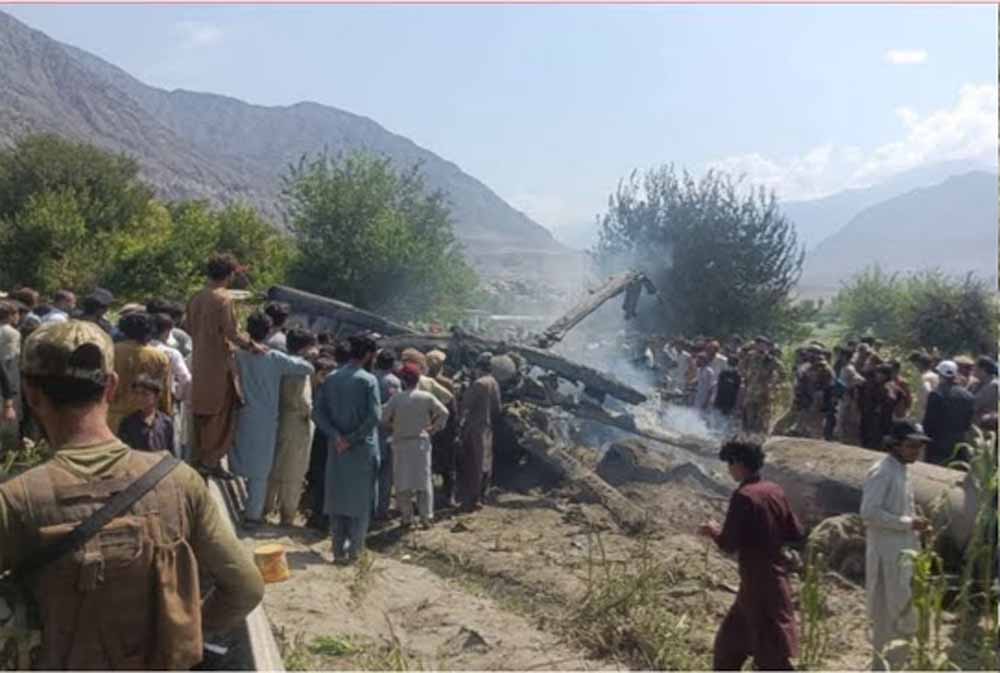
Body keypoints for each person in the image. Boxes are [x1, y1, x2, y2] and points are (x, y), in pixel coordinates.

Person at [0, 320, 263, 669]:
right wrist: (183, 632)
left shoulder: (16, 499)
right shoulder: (179, 481)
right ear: (111, 386)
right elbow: (246, 587)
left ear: (31, 394)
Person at [698, 439, 804, 671]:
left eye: (730, 463)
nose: (729, 469)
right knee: (728, 648)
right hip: (768, 581)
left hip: (759, 586)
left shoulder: (744, 496)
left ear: (739, 463)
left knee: (771, 659)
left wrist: (712, 530)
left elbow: (728, 544)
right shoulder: (774, 490)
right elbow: (796, 532)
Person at [230, 313, 314, 527]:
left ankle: (245, 506)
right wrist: (307, 356)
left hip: (241, 413)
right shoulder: (273, 357)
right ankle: (252, 516)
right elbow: (307, 368)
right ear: (269, 332)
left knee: (238, 458)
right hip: (266, 418)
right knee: (260, 472)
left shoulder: (238, 354)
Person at [860, 420, 930, 669]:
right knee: (888, 615)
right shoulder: (882, 472)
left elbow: (900, 510)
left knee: (902, 612)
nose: (916, 451)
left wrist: (916, 525)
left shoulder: (902, 470)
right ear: (896, 445)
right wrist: (909, 523)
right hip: (886, 556)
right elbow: (869, 513)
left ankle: (894, 664)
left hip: (902, 555)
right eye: (911, 446)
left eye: (919, 446)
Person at [185, 253, 261, 478]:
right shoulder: (223, 299)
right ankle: (210, 461)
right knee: (221, 415)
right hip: (220, 365)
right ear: (229, 275)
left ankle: (202, 460)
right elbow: (232, 333)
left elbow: (188, 328)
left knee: (201, 413)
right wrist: (252, 346)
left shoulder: (195, 297)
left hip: (200, 363)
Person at [312, 334, 381, 563]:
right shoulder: (368, 380)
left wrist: (336, 437)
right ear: (368, 355)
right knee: (360, 503)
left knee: (337, 499)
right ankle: (355, 553)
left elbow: (317, 413)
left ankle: (338, 551)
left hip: (336, 449)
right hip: (361, 450)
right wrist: (351, 439)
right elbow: (374, 417)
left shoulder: (331, 378)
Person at [382, 363, 449, 529]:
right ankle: (426, 518)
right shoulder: (426, 397)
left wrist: (394, 427)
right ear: (418, 379)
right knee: (423, 481)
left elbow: (383, 419)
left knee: (402, 482)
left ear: (403, 381)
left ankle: (407, 518)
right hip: (421, 443)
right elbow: (444, 412)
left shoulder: (396, 399)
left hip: (401, 443)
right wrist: (434, 428)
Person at [265, 328, 320, 527]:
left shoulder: (281, 362)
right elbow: (304, 402)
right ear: (306, 347)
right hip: (297, 423)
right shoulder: (301, 369)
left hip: (279, 419)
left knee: (274, 466)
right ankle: (287, 515)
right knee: (294, 471)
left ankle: (265, 507)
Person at [108, 312, 172, 434]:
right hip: (145, 420)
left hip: (114, 417)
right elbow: (164, 392)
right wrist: (166, 416)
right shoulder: (159, 357)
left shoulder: (111, 351)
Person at [459, 352, 502, 512]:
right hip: (488, 427)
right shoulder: (494, 382)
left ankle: (473, 498)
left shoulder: (479, 384)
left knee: (473, 463)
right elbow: (498, 408)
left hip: (475, 428)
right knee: (486, 462)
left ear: (479, 368)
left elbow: (465, 404)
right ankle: (483, 495)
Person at [922, 360, 975, 466]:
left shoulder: (936, 394)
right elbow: (967, 423)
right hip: (958, 443)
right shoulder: (968, 396)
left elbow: (928, 422)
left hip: (937, 443)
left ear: (940, 375)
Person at [426, 348, 460, 506]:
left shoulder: (422, 381)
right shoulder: (447, 383)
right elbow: (453, 409)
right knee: (448, 464)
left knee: (428, 464)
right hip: (445, 428)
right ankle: (449, 497)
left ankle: (427, 498)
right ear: (441, 366)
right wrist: (456, 428)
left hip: (428, 427)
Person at [372, 349, 401, 522]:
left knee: (370, 473)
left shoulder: (370, 377)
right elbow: (395, 406)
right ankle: (381, 510)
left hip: (369, 431)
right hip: (387, 432)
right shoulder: (393, 382)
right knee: (385, 474)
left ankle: (368, 508)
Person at [118, 374, 176, 454]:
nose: (139, 398)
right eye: (137, 393)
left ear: (156, 397)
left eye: (145, 394)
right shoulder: (127, 423)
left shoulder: (166, 423)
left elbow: (170, 452)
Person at [859, 364, 895, 450]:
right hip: (867, 413)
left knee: (875, 437)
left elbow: (890, 401)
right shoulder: (870, 384)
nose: (879, 375)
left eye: (882, 373)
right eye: (878, 372)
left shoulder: (888, 387)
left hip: (880, 417)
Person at [907, 352, 939, 423]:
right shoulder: (936, 376)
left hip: (924, 417)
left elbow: (927, 392)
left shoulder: (925, 378)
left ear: (919, 364)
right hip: (935, 416)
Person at [972, 357, 998, 428]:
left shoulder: (993, 386)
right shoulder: (979, 383)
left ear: (983, 369)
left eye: (975, 367)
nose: (973, 369)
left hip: (985, 427)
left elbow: (974, 404)